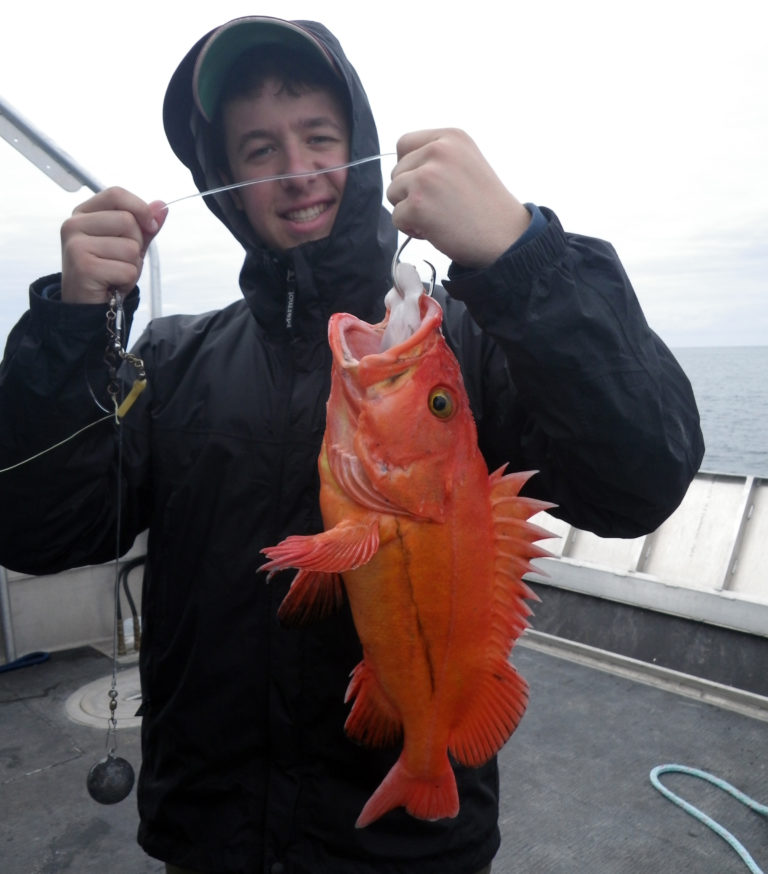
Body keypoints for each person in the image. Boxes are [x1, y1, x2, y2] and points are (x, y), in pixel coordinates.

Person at [0, 15, 704, 874]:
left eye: (319, 136)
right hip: (207, 837)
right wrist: (70, 333)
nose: (297, 171)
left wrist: (524, 257)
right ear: (222, 182)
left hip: (407, 850)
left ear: (361, 149)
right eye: (259, 149)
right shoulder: (173, 360)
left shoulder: (465, 348)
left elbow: (642, 481)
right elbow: (36, 531)